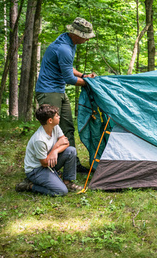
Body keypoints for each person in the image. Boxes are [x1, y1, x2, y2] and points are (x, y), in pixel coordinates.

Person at [35, 17, 96, 173]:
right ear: (77, 34)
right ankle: (44, 166)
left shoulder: (69, 42)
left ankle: (72, 163)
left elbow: (68, 68)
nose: (86, 40)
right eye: (85, 37)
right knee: (51, 129)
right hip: (48, 91)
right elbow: (69, 78)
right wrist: (90, 83)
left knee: (67, 127)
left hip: (58, 90)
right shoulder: (64, 48)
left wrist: (84, 76)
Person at [15, 104, 82, 195]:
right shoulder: (39, 139)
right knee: (61, 191)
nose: (59, 116)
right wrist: (56, 146)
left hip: (49, 161)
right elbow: (44, 163)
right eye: (57, 115)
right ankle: (30, 185)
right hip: (36, 169)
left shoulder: (55, 127)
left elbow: (66, 143)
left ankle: (67, 183)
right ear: (50, 120)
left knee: (71, 151)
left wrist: (55, 151)